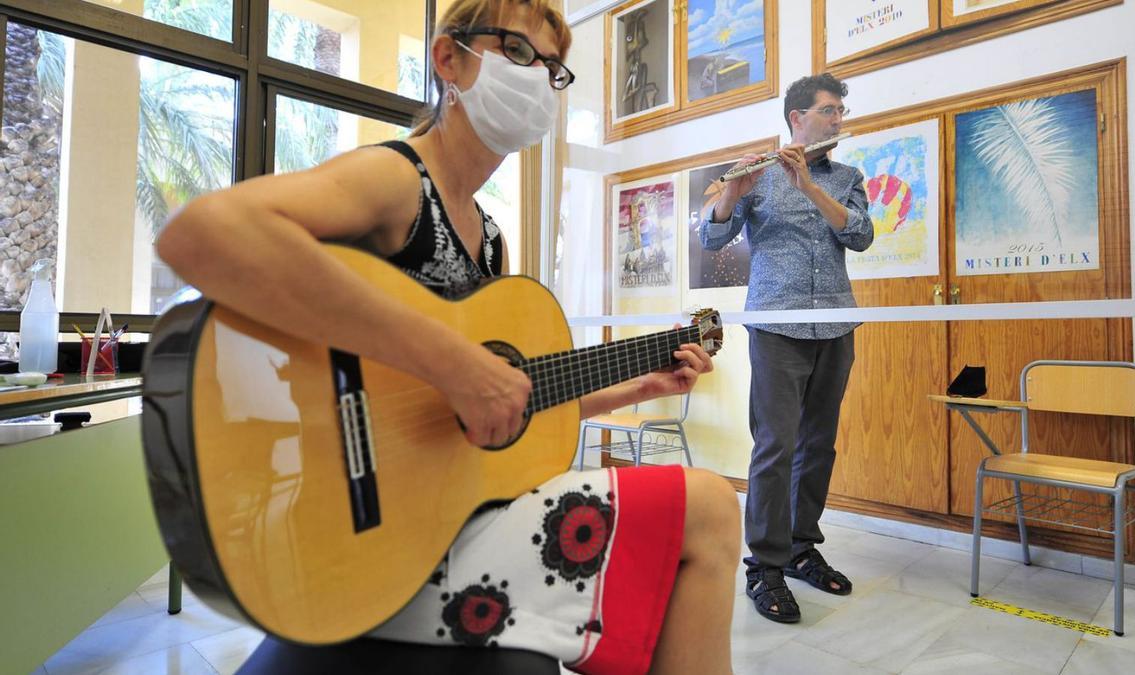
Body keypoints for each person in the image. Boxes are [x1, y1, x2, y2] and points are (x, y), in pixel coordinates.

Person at [156, 1, 740, 672]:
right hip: (365, 544)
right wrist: (454, 363)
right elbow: (200, 234)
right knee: (712, 505)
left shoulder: (489, 240)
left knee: (696, 511)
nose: (540, 80)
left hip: (438, 530)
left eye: (553, 70)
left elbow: (497, 416)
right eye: (520, 53)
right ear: (448, 58)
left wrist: (634, 385)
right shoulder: (399, 178)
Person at [699, 73, 873, 624]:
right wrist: (732, 191)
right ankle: (765, 568)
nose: (838, 120)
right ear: (797, 118)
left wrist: (811, 189)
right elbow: (710, 238)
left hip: (835, 327)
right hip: (776, 328)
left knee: (819, 444)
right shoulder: (760, 176)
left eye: (841, 111)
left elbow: (861, 235)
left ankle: (801, 548)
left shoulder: (846, 176)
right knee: (775, 446)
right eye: (828, 111)